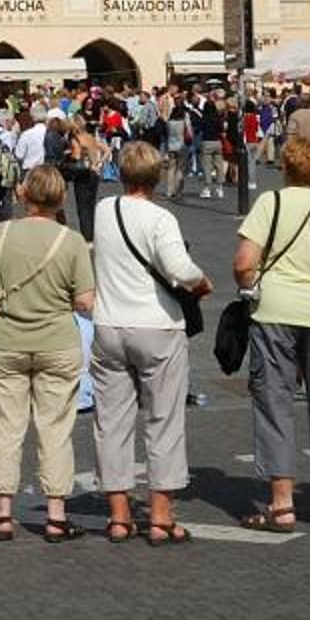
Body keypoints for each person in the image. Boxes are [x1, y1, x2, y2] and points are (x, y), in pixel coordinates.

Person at [234, 130, 310, 530]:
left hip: (275, 310)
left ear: (285, 167)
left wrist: (250, 288)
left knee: (275, 402)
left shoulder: (270, 202)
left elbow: (244, 262)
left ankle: (282, 503)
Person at [0, 164, 97, 541]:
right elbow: (85, 301)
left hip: (5, 342)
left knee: (4, 428)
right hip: (57, 344)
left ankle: (3, 514)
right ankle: (56, 515)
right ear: (61, 198)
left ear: (24, 194)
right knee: (55, 430)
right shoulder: (71, 240)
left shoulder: (2, 233)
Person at [93, 140, 211, 545]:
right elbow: (179, 268)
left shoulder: (104, 210)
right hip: (157, 326)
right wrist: (202, 281)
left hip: (110, 324)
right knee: (164, 420)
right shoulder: (161, 218)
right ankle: (160, 515)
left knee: (111, 422)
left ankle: (118, 516)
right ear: (156, 175)